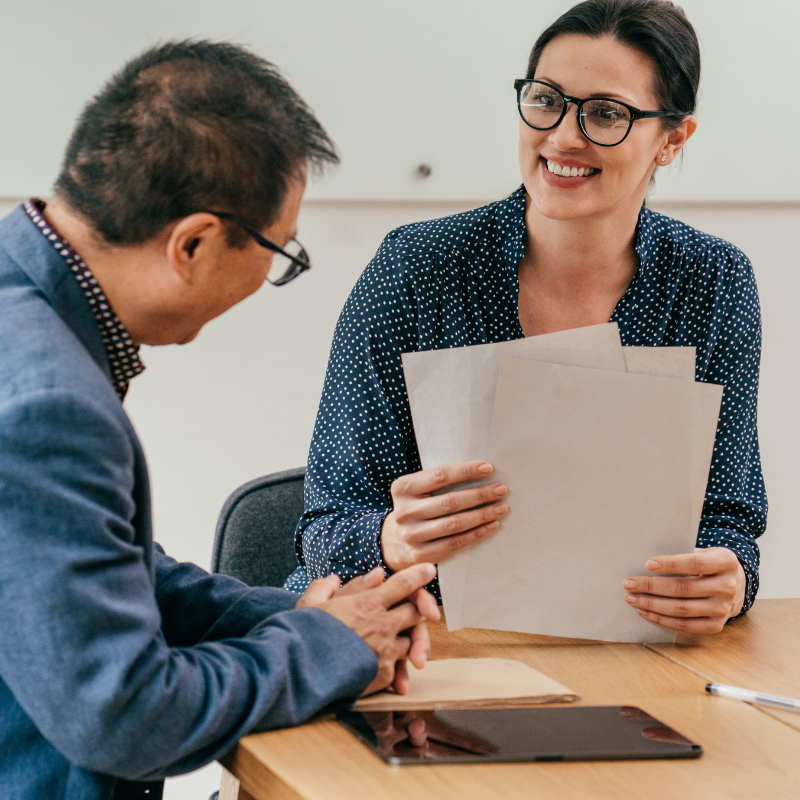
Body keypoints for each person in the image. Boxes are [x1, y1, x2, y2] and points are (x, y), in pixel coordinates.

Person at [0, 40, 441, 800]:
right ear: (195, 242)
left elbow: (107, 573)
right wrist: (326, 645)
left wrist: (319, 616)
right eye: (279, 250)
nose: (274, 275)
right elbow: (126, 715)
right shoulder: (48, 406)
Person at [291, 0, 766, 636]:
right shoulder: (418, 269)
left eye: (606, 113)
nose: (564, 136)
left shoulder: (712, 282)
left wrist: (729, 581)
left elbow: (729, 520)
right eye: (546, 100)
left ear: (672, 139)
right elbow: (324, 529)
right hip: (418, 642)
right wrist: (389, 538)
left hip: (623, 648)